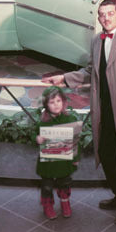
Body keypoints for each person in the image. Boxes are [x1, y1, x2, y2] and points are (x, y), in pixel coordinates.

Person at [44, 0, 116, 226]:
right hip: (105, 110)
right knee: (107, 155)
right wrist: (64, 78)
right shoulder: (97, 41)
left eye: (110, 13)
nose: (105, 18)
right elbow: (89, 71)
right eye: (102, 14)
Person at [35, 86, 80, 219]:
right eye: (52, 102)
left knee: (65, 182)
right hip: (48, 163)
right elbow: (35, 136)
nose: (56, 105)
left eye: (58, 101)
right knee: (47, 186)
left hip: (64, 161)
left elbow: (76, 141)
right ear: (46, 105)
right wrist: (37, 139)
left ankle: (65, 202)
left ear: (64, 102)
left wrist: (76, 158)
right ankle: (47, 205)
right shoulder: (43, 122)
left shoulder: (70, 119)